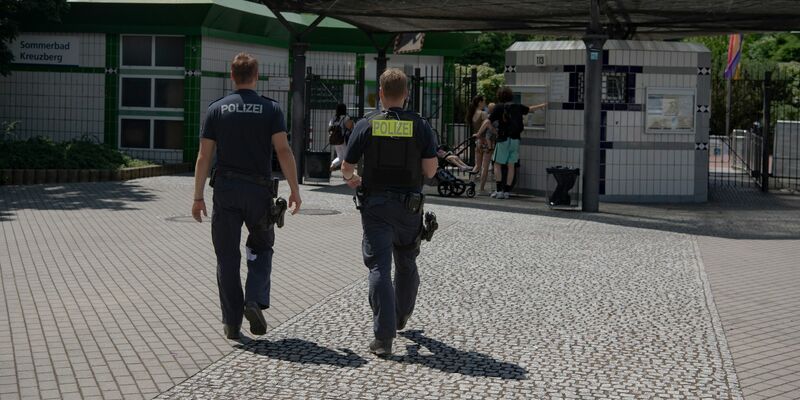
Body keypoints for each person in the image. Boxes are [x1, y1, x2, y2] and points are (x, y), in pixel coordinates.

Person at [191, 53, 301, 340]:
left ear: (232, 75)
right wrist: (295, 190)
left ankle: (231, 323)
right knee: (262, 248)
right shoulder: (270, 109)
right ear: (256, 76)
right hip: (259, 192)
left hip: (226, 191)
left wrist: (197, 196)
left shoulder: (217, 109)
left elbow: (204, 155)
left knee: (226, 257)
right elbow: (283, 151)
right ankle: (253, 298)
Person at [341, 68, 438, 356]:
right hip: (409, 208)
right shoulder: (420, 126)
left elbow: (347, 167)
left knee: (379, 267)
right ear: (406, 94)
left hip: (376, 207)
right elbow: (431, 170)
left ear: (380, 93)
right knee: (406, 261)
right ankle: (400, 315)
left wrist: (353, 179)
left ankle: (383, 339)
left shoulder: (367, 124)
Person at [477, 87, 545, 199]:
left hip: (503, 139)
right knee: (511, 165)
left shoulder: (498, 107)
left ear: (500, 96)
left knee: (497, 164)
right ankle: (507, 191)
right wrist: (543, 105)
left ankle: (499, 191)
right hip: (515, 140)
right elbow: (530, 109)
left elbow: (487, 121)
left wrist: (484, 133)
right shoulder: (517, 106)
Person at [329, 103, 355, 171]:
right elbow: (350, 127)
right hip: (343, 140)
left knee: (340, 157)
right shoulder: (346, 118)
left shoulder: (334, 118)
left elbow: (330, 127)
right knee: (347, 157)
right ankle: (346, 172)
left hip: (335, 140)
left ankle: (332, 165)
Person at [466, 95, 488, 174]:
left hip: (477, 141)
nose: (485, 103)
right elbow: (487, 126)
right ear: (479, 102)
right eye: (484, 101)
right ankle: (482, 186)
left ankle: (471, 182)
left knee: (477, 165)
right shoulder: (483, 113)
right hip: (485, 141)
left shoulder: (472, 114)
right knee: (485, 166)